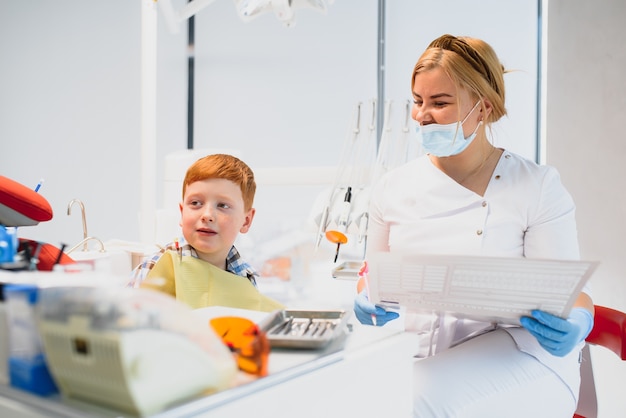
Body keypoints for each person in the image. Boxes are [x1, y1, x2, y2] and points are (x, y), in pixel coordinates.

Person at [353, 34, 594, 417]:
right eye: (418, 101)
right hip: (418, 351)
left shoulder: (536, 186)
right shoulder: (391, 188)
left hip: (520, 354)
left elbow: (569, 294)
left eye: (440, 102)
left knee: (414, 401)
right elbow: (373, 274)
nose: (422, 115)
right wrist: (368, 295)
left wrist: (580, 321)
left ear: (481, 108)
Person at [129, 153, 283, 312]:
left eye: (223, 206)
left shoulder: (244, 277)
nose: (207, 215)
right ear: (182, 213)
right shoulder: (160, 266)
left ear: (246, 221)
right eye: (195, 203)